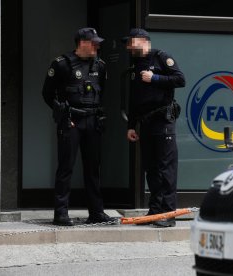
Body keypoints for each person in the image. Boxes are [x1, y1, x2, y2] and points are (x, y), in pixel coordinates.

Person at [42, 27, 115, 226]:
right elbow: (47, 94)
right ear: (82, 43)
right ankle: (61, 213)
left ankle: (96, 212)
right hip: (71, 121)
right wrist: (62, 113)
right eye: (94, 43)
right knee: (66, 168)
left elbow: (102, 93)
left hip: (92, 121)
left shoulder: (100, 65)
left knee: (93, 169)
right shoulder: (62, 64)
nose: (98, 46)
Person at [123, 28, 185, 227]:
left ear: (141, 41)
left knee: (166, 168)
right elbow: (134, 99)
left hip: (163, 121)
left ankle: (168, 213)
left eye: (130, 42)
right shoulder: (135, 64)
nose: (128, 47)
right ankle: (156, 211)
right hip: (145, 123)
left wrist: (155, 78)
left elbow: (180, 79)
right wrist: (131, 125)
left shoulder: (161, 57)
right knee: (150, 169)